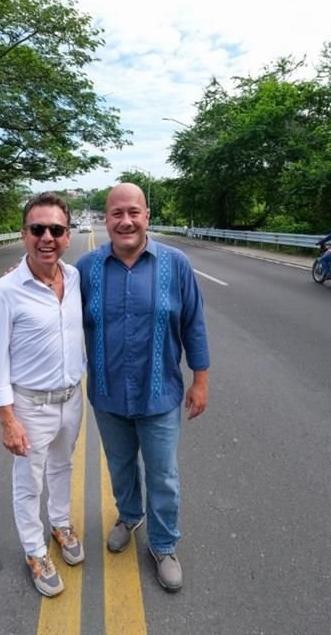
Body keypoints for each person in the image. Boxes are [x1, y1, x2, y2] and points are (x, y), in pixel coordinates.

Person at [76, 182, 210, 593]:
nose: (125, 221)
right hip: (108, 393)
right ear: (106, 219)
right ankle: (129, 515)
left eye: (133, 212)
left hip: (161, 392)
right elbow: (50, 302)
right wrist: (20, 273)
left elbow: (193, 323)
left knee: (163, 475)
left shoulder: (176, 264)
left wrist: (200, 380)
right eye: (116, 213)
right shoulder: (85, 269)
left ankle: (164, 545)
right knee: (119, 467)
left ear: (147, 216)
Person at [0, 192, 86, 597]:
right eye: (37, 229)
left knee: (63, 468)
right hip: (29, 404)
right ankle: (34, 550)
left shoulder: (76, 278)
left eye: (56, 230)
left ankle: (60, 523)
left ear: (68, 235)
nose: (47, 237)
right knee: (29, 482)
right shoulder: (4, 292)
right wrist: (7, 419)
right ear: (24, 234)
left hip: (71, 399)